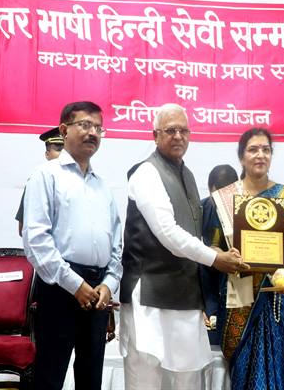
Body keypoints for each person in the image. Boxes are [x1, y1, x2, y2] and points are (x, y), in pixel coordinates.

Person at [119, 103, 247, 390]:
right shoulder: (146, 173)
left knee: (187, 377)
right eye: (170, 130)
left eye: (183, 130)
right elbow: (168, 233)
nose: (178, 136)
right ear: (155, 135)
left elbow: (191, 234)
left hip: (184, 293)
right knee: (146, 376)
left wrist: (218, 253)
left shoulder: (187, 175)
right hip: (149, 294)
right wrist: (215, 258)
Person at [209, 128, 284, 389]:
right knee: (242, 371)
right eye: (253, 149)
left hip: (277, 298)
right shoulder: (224, 201)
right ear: (241, 157)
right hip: (239, 298)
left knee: (276, 367)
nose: (260, 155)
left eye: (266, 149)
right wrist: (226, 258)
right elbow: (213, 246)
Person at [22, 101, 122, 390]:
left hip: (98, 290)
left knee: (91, 378)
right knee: (50, 377)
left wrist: (109, 283)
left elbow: (117, 243)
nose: (93, 133)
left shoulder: (103, 186)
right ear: (64, 130)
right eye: (85, 125)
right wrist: (74, 284)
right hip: (59, 287)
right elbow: (36, 240)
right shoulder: (46, 175)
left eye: (98, 128)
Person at [200, 164, 239, 345]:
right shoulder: (200, 209)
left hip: (233, 281)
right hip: (205, 276)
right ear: (210, 190)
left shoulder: (246, 211)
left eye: (226, 196)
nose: (221, 202)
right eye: (217, 196)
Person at [15, 127, 64, 236]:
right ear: (47, 154)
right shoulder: (37, 180)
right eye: (58, 149)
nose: (62, 154)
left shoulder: (78, 180)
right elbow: (23, 228)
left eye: (65, 150)